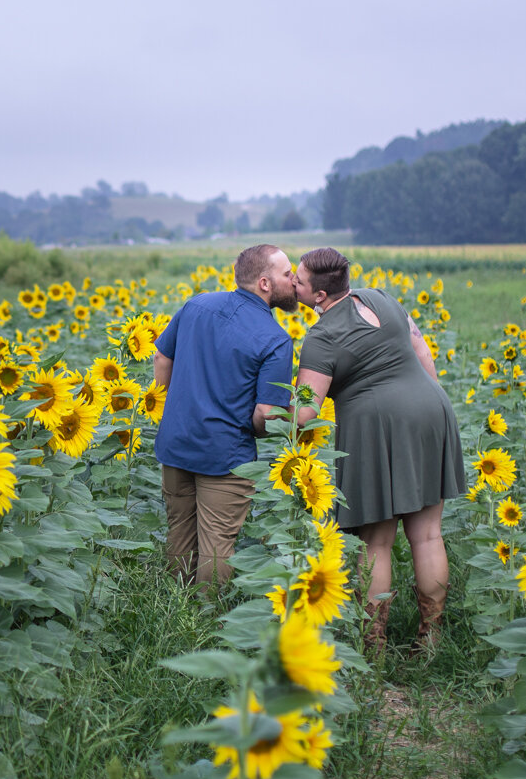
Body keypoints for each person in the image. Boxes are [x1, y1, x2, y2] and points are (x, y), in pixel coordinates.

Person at [292, 247, 465, 650]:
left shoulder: (321, 337)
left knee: (376, 543)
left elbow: (304, 413)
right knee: (427, 536)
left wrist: (266, 410)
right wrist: (428, 398)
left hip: (378, 428)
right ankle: (431, 638)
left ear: (319, 295)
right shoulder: (381, 297)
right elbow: (419, 344)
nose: (293, 285)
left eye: (298, 281)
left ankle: (374, 644)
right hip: (431, 408)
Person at [152, 244, 297, 586]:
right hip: (225, 454)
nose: (293, 281)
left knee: (180, 534)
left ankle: (174, 612)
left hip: (176, 442)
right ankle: (206, 623)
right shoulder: (276, 340)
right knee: (217, 546)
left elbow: (161, 358)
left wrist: (172, 409)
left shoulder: (196, 305)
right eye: (287, 274)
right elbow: (264, 415)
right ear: (264, 283)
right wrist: (289, 416)